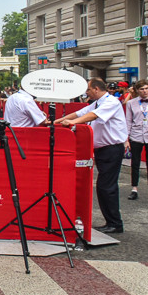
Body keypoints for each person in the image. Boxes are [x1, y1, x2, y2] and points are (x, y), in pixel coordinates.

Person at [57, 78, 129, 234]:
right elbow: (79, 112)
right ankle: (111, 221)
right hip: (102, 148)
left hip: (111, 148)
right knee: (103, 186)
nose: (87, 93)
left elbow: (91, 116)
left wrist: (72, 123)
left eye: (88, 90)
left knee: (106, 186)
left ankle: (115, 222)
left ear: (96, 89)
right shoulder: (97, 103)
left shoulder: (111, 102)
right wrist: (57, 121)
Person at [124, 80, 148, 202]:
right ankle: (134, 189)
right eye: (142, 89)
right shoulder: (131, 103)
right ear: (137, 90)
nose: (145, 91)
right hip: (136, 136)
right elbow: (128, 122)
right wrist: (126, 139)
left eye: (146, 88)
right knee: (135, 163)